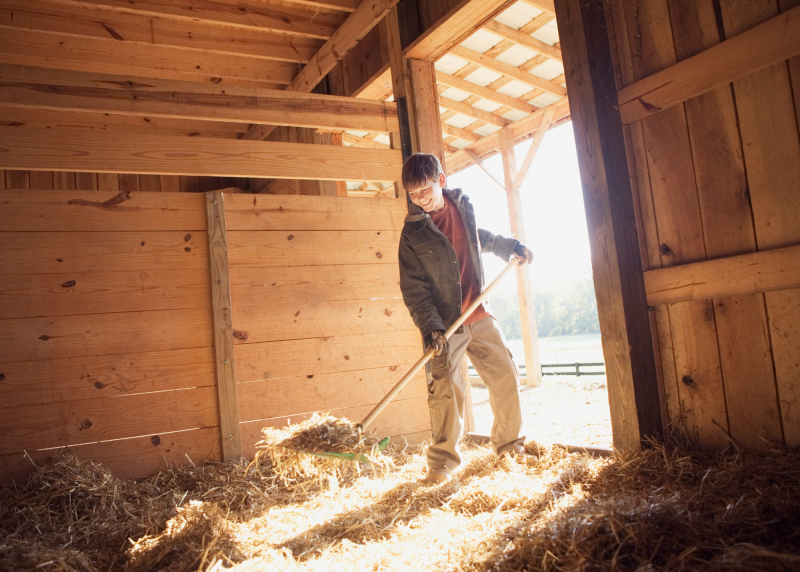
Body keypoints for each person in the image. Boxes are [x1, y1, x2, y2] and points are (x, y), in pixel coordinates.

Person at [397, 153, 536, 484]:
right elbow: (414, 289)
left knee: (505, 374)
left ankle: (509, 448)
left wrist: (510, 246)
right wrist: (431, 326)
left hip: (479, 312)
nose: (420, 199)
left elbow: (481, 238)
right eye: (413, 194)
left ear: (441, 181)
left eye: (425, 190)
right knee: (447, 391)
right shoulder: (413, 235)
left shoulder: (463, 207)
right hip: (445, 325)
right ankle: (442, 463)